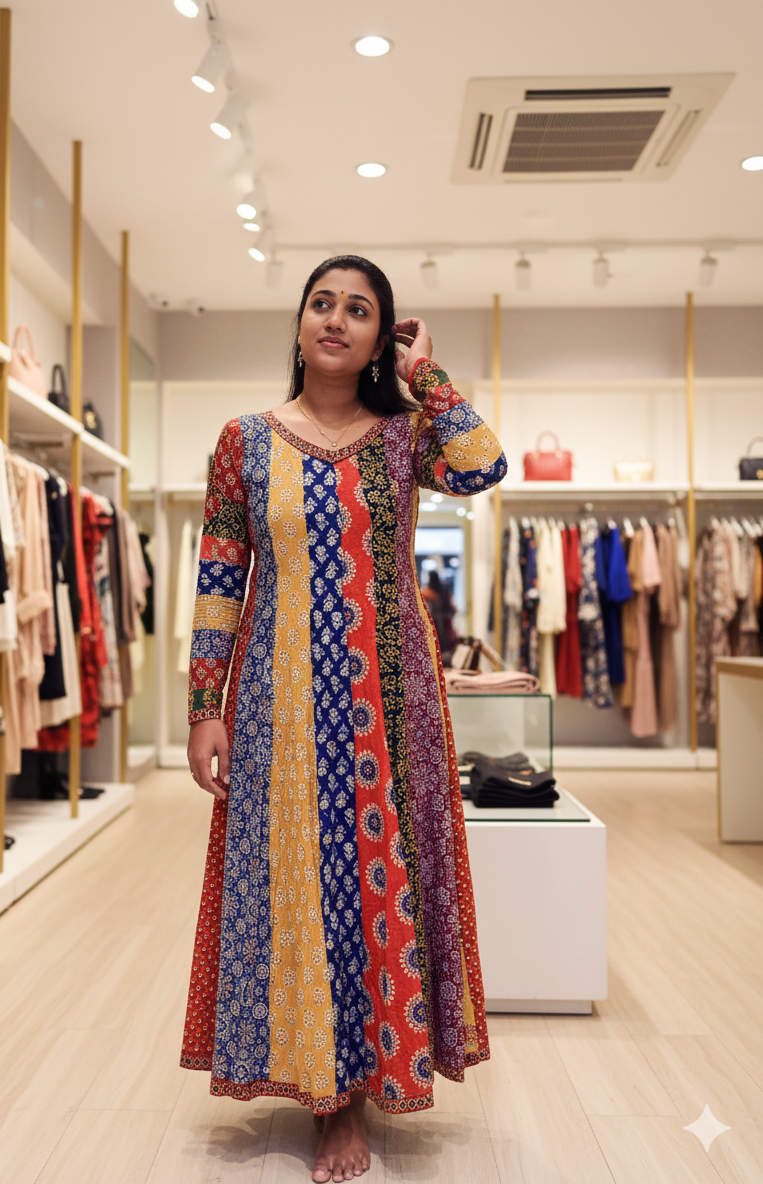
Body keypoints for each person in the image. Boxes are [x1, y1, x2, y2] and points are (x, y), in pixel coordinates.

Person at [183, 255, 507, 1183]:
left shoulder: (405, 438)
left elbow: (483, 466)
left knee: (376, 881)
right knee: (294, 878)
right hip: (276, 702)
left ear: (379, 339)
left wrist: (426, 375)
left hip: (390, 704)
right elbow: (219, 577)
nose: (335, 318)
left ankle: (362, 1090)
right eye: (320, 303)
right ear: (298, 326)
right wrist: (204, 706)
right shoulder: (245, 441)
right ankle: (320, 1089)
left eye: (359, 310)